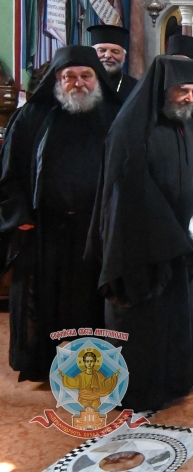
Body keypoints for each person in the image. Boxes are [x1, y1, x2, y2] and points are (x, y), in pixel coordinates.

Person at [87, 55, 193, 411]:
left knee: (171, 321)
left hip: (177, 244)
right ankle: (137, 392)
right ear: (161, 90)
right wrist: (170, 235)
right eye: (181, 91)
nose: (188, 98)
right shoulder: (131, 128)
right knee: (142, 325)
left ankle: (172, 383)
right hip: (140, 248)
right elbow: (128, 193)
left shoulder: (185, 124)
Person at [0, 46, 119, 381]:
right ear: (57, 79)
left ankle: (93, 366)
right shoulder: (32, 117)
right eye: (69, 77)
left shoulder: (115, 116)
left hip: (97, 231)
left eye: (85, 76)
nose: (77, 83)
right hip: (44, 229)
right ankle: (42, 364)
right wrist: (20, 214)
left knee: (91, 303)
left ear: (98, 79)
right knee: (46, 300)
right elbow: (9, 174)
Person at [87, 24, 137, 102]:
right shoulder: (82, 83)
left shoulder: (136, 88)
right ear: (91, 53)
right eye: (102, 50)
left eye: (115, 52)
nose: (108, 55)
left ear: (124, 56)